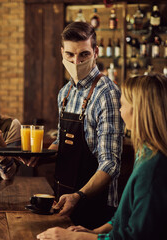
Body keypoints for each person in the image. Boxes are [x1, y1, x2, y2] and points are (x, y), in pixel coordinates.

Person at [37, 73, 167, 240]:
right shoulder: (145, 154)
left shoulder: (153, 168)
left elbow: (136, 237)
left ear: (139, 111)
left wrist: (75, 238)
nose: (119, 110)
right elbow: (124, 214)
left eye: (123, 105)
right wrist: (95, 232)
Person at [23, 22, 124, 228]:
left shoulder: (107, 94)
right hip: (63, 197)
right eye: (70, 55)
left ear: (95, 52)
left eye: (84, 55)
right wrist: (39, 157)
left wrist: (79, 196)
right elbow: (64, 142)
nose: (76, 61)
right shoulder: (65, 92)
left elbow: (110, 163)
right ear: (62, 53)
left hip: (94, 203)